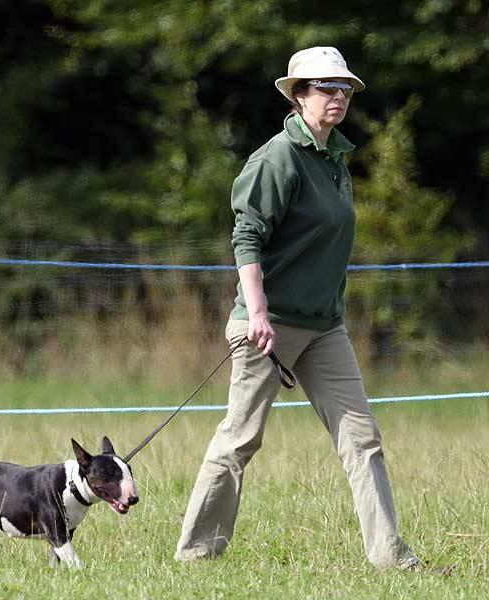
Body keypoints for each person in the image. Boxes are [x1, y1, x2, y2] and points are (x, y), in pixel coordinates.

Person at [174, 47, 419, 569]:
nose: (338, 96)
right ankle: (196, 554)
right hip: (269, 324)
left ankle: (391, 559)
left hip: (324, 327)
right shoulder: (276, 159)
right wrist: (257, 312)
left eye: (344, 88)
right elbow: (247, 237)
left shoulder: (334, 158)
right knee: (241, 438)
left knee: (363, 440)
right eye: (326, 87)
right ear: (299, 95)